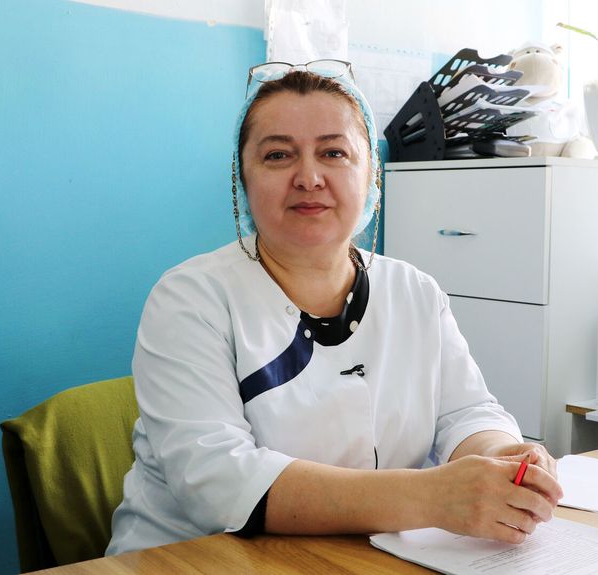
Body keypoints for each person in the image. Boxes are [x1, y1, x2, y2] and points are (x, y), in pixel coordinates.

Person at [106, 59, 562, 555]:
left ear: (371, 176)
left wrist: (502, 457)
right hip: (192, 558)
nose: (309, 177)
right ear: (243, 180)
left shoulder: (415, 291)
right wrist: (434, 496)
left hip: (357, 557)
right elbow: (217, 481)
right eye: (278, 155)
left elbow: (466, 412)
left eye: (334, 153)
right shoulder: (190, 299)